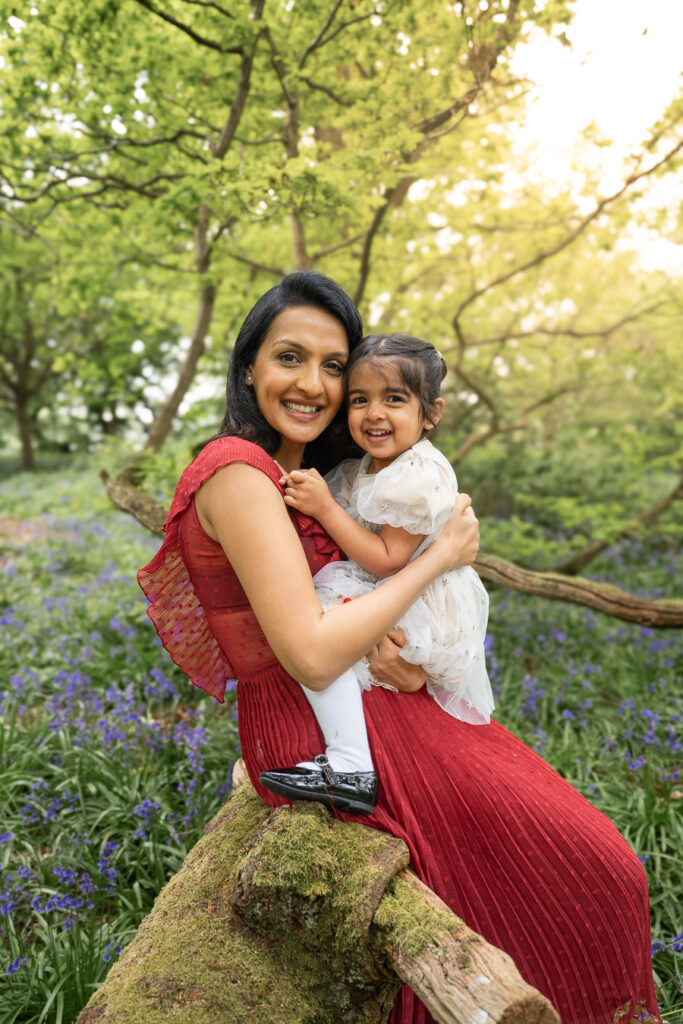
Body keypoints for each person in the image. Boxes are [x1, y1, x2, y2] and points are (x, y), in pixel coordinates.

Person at [138, 271, 661, 1024]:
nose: (313, 384)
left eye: (332, 366)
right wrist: (437, 558)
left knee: (602, 864)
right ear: (248, 365)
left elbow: (353, 595)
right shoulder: (238, 474)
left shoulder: (314, 473)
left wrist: (410, 656)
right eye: (289, 357)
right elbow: (313, 655)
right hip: (318, 720)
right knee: (593, 868)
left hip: (378, 691)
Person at [260, 333, 494, 816]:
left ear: (431, 413)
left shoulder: (417, 476)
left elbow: (387, 559)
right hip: (403, 586)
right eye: (361, 399)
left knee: (322, 630)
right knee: (328, 633)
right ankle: (349, 756)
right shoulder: (373, 465)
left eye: (394, 399)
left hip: (422, 597)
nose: (374, 414)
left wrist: (324, 509)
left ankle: (350, 764)